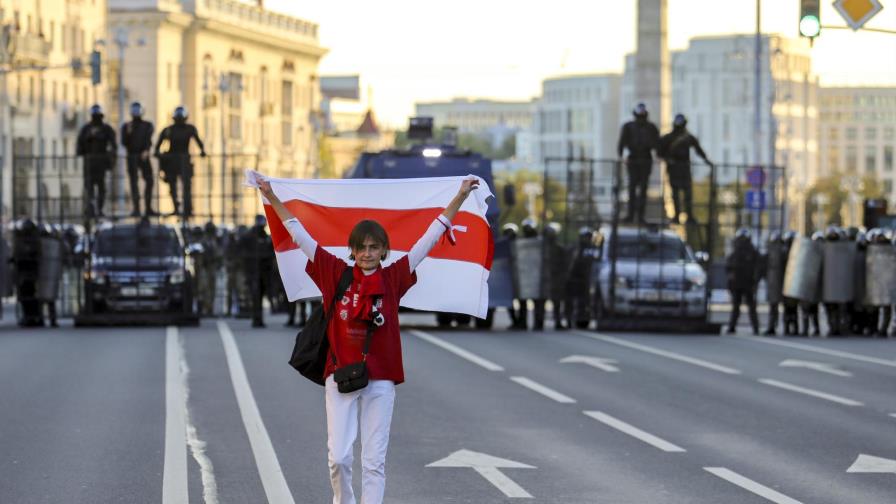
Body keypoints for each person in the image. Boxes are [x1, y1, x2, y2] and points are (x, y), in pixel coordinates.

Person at [256, 173, 478, 504]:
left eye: (374, 247)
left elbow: (429, 239)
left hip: (381, 381)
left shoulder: (394, 277)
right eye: (361, 247)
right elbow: (299, 233)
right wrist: (272, 196)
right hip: (340, 377)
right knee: (339, 458)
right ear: (353, 250)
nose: (368, 253)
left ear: (384, 250)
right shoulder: (335, 273)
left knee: (373, 462)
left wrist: (459, 198)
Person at [658, 114, 712, 224]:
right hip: (674, 169)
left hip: (684, 168)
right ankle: (678, 215)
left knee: (686, 194)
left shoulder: (687, 138)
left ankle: (689, 216)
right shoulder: (669, 138)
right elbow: (660, 152)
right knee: (676, 193)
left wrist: (707, 160)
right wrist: (668, 160)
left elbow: (698, 150)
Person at [154, 106, 206, 218]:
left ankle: (187, 209)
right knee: (173, 186)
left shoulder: (189, 129)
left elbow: (199, 142)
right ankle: (177, 208)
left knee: (185, 186)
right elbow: (157, 147)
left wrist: (202, 151)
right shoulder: (169, 130)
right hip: (173, 162)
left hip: (183, 161)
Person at [617, 103, 660, 224]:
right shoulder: (628, 126)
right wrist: (621, 156)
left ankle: (640, 216)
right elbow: (621, 142)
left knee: (643, 188)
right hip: (633, 159)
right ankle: (630, 215)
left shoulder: (651, 127)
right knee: (632, 187)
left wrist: (658, 154)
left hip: (646, 159)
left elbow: (657, 143)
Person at [76, 104, 117, 217]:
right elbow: (80, 146)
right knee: (89, 188)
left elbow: (113, 146)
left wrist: (110, 159)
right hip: (89, 163)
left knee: (101, 188)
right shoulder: (86, 129)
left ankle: (99, 209)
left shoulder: (106, 129)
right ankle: (91, 208)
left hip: (101, 163)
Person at [121, 102, 157, 216]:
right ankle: (136, 208)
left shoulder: (147, 125)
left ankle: (148, 208)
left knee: (149, 180)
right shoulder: (126, 126)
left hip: (144, 157)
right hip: (132, 157)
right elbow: (124, 142)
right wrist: (128, 132)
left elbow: (148, 139)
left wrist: (146, 150)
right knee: (133, 182)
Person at [240, 215, 274, 328]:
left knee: (260, 295)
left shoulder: (265, 237)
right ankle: (256, 318)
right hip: (253, 271)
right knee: (255, 295)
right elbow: (242, 253)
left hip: (263, 272)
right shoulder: (249, 237)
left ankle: (259, 318)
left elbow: (271, 253)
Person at [725, 228, 760, 335]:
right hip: (743, 283)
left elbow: (729, 268)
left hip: (745, 283)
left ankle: (735, 326)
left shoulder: (748, 252)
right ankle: (753, 327)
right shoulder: (746, 251)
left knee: (742, 307)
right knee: (744, 307)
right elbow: (729, 268)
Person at [781, 231, 800, 336]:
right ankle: (789, 328)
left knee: (791, 308)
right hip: (788, 284)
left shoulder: (797, 253)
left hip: (793, 284)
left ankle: (791, 328)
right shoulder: (785, 252)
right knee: (791, 308)